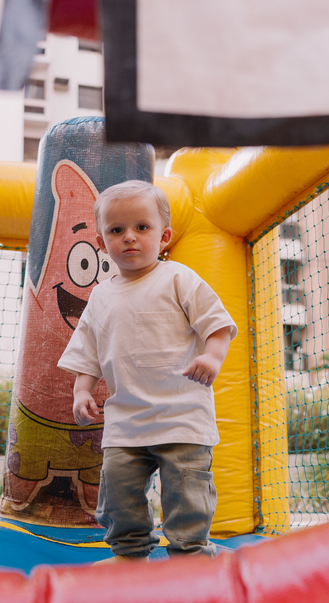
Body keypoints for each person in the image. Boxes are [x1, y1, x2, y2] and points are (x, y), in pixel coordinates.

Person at [58, 180, 237, 560]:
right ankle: (130, 552)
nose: (129, 237)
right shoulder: (101, 296)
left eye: (142, 227)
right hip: (126, 421)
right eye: (116, 230)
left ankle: (191, 554)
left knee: (187, 494)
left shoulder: (178, 278)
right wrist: (81, 390)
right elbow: (87, 351)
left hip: (182, 416)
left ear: (164, 236)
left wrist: (212, 357)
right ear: (101, 242)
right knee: (118, 493)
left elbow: (217, 324)